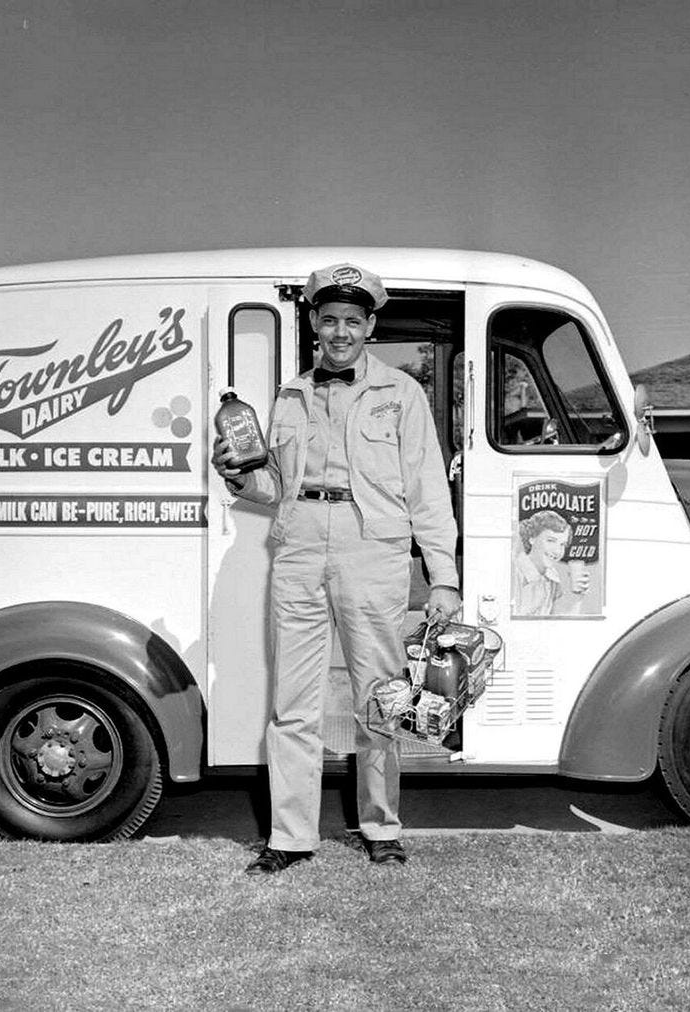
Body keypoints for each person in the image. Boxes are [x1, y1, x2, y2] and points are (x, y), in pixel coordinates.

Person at [212, 262, 461, 875]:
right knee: (292, 703)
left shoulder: (401, 394)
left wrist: (444, 576)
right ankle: (291, 837)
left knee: (380, 696)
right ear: (314, 325)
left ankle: (381, 826)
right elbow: (278, 485)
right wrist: (240, 473)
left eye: (353, 321)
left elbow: (427, 489)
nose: (341, 332)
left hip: (372, 549)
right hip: (299, 549)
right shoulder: (290, 394)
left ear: (370, 325)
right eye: (330, 321)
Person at [513, 510, 590, 616]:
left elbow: (554, 621)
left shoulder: (551, 576)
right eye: (551, 541)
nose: (557, 551)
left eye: (562, 544)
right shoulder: (515, 573)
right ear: (532, 538)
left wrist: (577, 596)